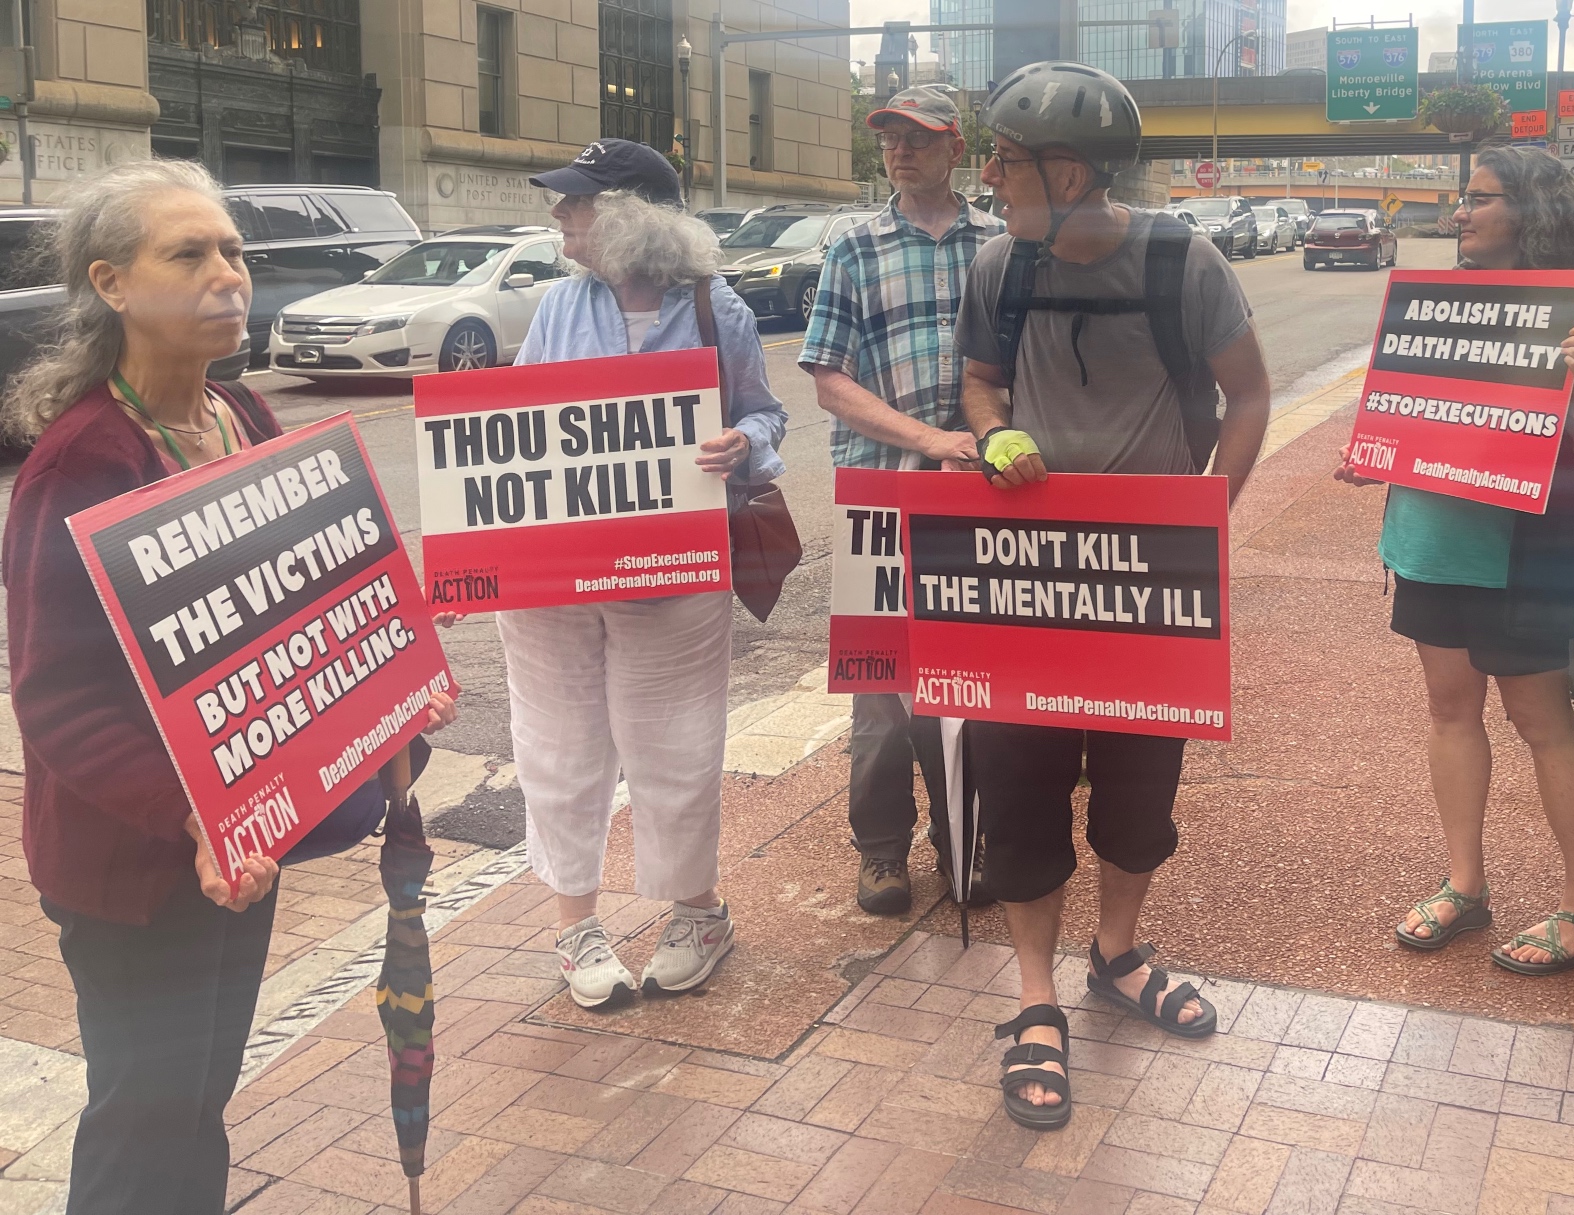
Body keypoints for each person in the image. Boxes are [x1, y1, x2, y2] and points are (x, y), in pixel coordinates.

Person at [0, 160, 454, 1214]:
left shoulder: (242, 410)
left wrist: (393, 700)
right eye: (189, 254)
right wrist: (198, 819)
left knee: (198, 1100)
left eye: (235, 252)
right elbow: (56, 702)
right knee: (145, 1110)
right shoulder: (80, 463)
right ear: (111, 284)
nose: (229, 276)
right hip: (139, 864)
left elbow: (308, 600)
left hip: (243, 842)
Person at [955, 61, 1272, 1130]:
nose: (989, 171)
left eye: (1005, 156)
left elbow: (1250, 391)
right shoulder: (1000, 264)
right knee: (1020, 787)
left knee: (1141, 794)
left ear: (1071, 169)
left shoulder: (1184, 261)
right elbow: (980, 378)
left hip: (1146, 586)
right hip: (1026, 581)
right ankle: (1035, 997)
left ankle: (1118, 953)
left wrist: (1205, 518)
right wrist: (992, 424)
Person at [469, 138, 787, 1008]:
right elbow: (514, 431)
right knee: (557, 746)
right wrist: (475, 554)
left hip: (676, 570)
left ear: (631, 216)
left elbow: (766, 416)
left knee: (676, 748)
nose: (560, 215)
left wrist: (742, 443)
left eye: (577, 202)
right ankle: (575, 924)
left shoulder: (717, 308)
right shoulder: (558, 307)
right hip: (554, 578)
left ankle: (699, 913)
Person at [1332, 146, 1574, 977]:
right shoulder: (1438, 305)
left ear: (1532, 213)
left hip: (1526, 556)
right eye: (1461, 199)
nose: (1460, 213)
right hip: (1434, 544)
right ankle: (1465, 883)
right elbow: (1419, 413)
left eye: (1480, 198)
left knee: (1542, 721)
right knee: (1449, 711)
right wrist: (1378, 451)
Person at [798, 86, 1005, 915]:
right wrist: (928, 441)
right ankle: (881, 851)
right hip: (882, 499)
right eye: (888, 137)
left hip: (980, 499)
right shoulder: (853, 244)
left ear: (956, 147)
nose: (900, 150)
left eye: (918, 138)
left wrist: (988, 445)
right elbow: (828, 381)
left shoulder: (999, 242)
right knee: (882, 695)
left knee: (974, 686)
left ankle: (966, 836)